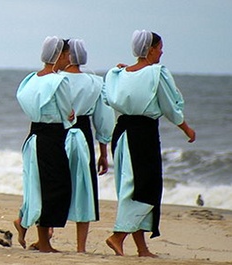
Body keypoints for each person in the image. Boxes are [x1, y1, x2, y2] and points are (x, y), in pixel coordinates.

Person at [102, 30, 196, 257]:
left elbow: (108, 97)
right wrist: (186, 128)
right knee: (145, 188)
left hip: (121, 131)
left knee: (132, 185)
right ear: (150, 49)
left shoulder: (119, 73)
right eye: (159, 47)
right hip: (142, 135)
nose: (162, 51)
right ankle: (118, 235)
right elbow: (169, 105)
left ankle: (141, 248)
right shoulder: (156, 73)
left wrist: (127, 73)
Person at [15, 36, 76, 252]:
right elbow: (67, 111)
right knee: (54, 188)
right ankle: (43, 242)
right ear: (59, 55)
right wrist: (70, 116)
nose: (69, 58)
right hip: (51, 138)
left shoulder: (31, 79)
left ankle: (28, 225)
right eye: (67, 54)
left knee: (41, 187)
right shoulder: (58, 81)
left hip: (35, 135)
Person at [61, 39, 115, 252]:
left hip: (58, 132)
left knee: (55, 184)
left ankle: (46, 233)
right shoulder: (95, 82)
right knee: (84, 187)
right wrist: (103, 152)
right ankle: (80, 247)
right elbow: (103, 119)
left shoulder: (55, 79)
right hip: (83, 134)